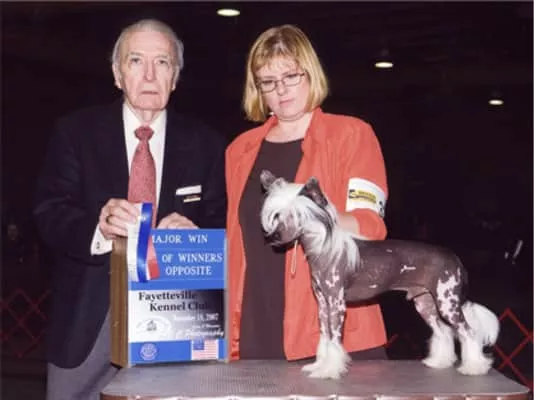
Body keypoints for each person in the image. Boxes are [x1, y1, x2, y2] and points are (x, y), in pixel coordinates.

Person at [34, 19, 227, 400]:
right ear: (117, 73)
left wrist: (196, 234)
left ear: (175, 76)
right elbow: (48, 212)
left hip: (177, 316)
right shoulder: (75, 132)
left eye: (162, 62)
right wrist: (98, 228)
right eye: (136, 61)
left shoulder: (208, 143)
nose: (150, 75)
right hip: (88, 321)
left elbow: (223, 219)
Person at [225, 25, 389, 361]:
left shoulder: (352, 135)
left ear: (310, 74)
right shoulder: (239, 151)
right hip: (257, 327)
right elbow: (235, 238)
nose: (281, 89)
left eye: (291, 76)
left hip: (333, 331)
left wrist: (316, 216)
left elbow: (371, 227)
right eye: (268, 81)